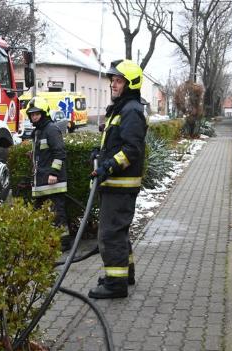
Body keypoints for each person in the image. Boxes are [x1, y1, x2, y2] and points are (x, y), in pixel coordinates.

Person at [89, 59, 147, 299]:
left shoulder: (131, 110)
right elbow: (117, 142)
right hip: (117, 185)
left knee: (110, 234)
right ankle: (124, 274)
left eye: (119, 81)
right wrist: (100, 154)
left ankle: (115, 284)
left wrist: (109, 166)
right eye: (113, 80)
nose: (113, 84)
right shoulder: (124, 108)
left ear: (130, 84)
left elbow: (132, 149)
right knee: (119, 232)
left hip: (120, 186)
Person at [27, 97, 71, 251]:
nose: (34, 117)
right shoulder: (38, 131)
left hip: (53, 181)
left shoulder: (51, 129)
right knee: (41, 213)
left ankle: (64, 243)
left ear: (44, 113)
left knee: (57, 212)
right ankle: (46, 241)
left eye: (37, 114)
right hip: (42, 182)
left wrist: (53, 173)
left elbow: (60, 153)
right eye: (32, 115)